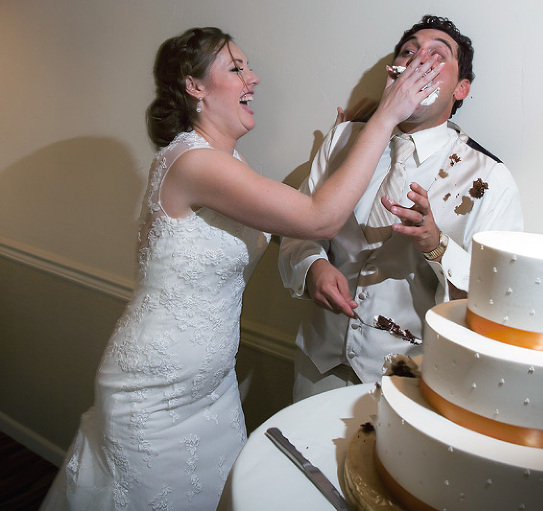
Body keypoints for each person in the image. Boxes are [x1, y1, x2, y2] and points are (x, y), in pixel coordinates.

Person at [41, 27, 442, 510]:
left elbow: (291, 215)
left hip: (213, 387)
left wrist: (343, 140)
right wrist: (386, 115)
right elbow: (319, 217)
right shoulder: (193, 163)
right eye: (236, 68)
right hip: (155, 387)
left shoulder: (229, 162)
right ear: (195, 86)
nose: (253, 78)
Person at [278, 15, 524, 402]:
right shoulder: (342, 139)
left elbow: (500, 295)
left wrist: (436, 245)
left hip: (413, 383)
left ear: (461, 88)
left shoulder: (490, 178)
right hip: (316, 367)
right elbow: (297, 227)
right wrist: (313, 266)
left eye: (437, 55)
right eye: (409, 51)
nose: (419, 60)